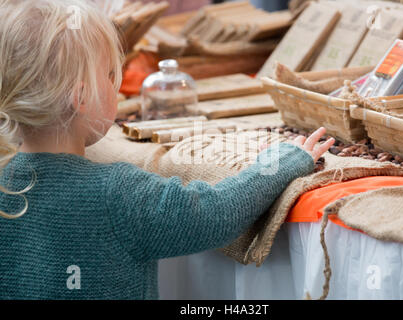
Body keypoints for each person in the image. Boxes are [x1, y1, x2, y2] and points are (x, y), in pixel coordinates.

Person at [0, 0, 334, 299]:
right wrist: (279, 162)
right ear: (82, 97)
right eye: (110, 74)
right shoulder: (118, 191)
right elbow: (214, 215)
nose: (116, 87)